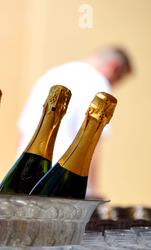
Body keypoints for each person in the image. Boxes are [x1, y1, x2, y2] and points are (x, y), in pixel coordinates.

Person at [17, 47, 132, 197]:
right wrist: (91, 189)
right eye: (118, 79)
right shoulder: (98, 84)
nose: (115, 85)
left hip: (26, 177)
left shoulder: (52, 75)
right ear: (113, 67)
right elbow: (91, 141)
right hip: (63, 183)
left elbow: (23, 130)